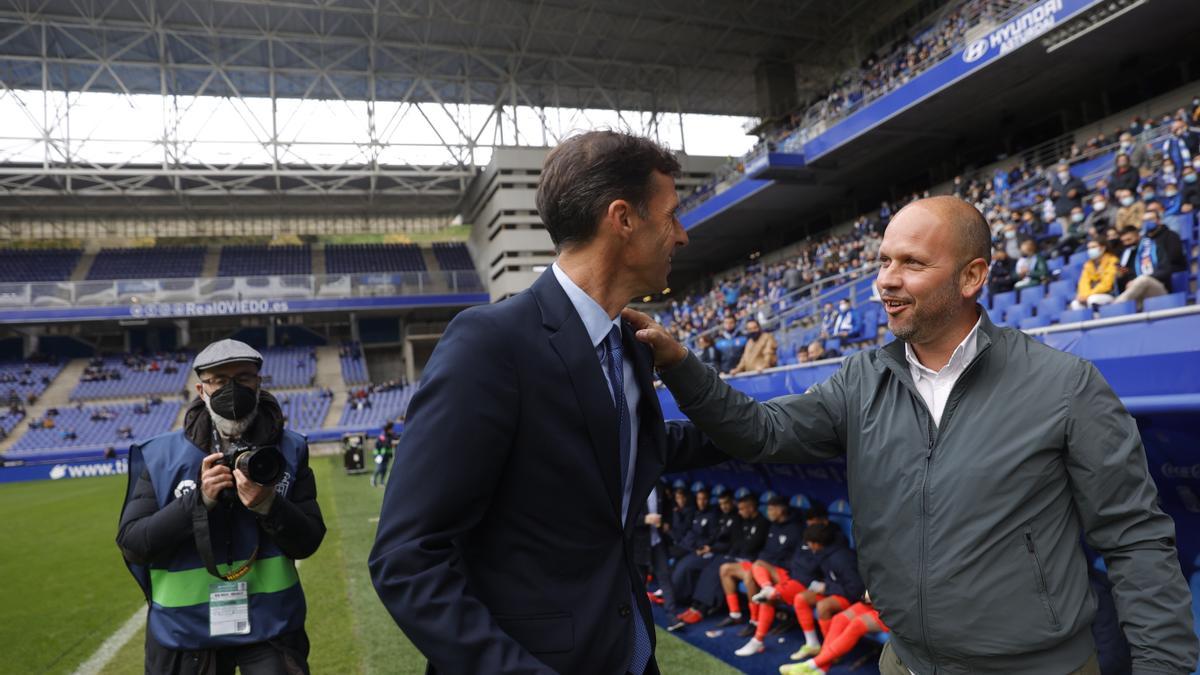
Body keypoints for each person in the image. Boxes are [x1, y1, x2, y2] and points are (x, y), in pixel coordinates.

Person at [627, 195, 1198, 674]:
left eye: (912, 264)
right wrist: (680, 362)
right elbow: (761, 432)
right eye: (882, 262)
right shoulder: (860, 379)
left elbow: (1136, 541)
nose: (886, 282)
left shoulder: (1065, 385)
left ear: (973, 276)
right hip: (906, 663)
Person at [368, 131, 726, 675]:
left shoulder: (631, 342)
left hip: (627, 651)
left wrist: (811, 416)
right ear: (622, 218)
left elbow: (638, 448)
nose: (682, 233)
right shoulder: (490, 342)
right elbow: (406, 557)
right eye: (672, 214)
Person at [116, 339, 325, 674]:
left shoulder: (291, 450)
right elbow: (133, 544)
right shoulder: (159, 458)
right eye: (219, 379)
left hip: (270, 624)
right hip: (184, 630)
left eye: (243, 378)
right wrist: (198, 502)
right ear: (201, 389)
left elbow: (309, 540)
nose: (232, 388)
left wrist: (268, 505)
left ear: (258, 383)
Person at [781, 594, 891, 675]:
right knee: (839, 619)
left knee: (857, 624)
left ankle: (811, 664)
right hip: (871, 604)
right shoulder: (877, 564)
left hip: (891, 610)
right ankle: (822, 669)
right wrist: (867, 595)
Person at [1114, 209, 1187, 309]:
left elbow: (1166, 270)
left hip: (1159, 289)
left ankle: (1115, 307)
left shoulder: (1155, 246)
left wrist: (1139, 280)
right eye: (1124, 241)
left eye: (1129, 239)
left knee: (1143, 279)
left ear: (1137, 236)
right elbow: (1128, 272)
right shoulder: (1128, 254)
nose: (1127, 243)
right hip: (1138, 293)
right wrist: (1120, 271)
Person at [1070, 239, 1119, 311]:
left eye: (1093, 247)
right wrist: (1083, 295)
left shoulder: (1113, 260)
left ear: (1102, 248)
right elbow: (1083, 283)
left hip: (1109, 294)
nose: (1090, 250)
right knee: (1075, 304)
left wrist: (1088, 295)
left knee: (1092, 299)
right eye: (1089, 248)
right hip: (1090, 295)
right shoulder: (1087, 265)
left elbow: (1107, 284)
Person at [371, 422, 396, 487]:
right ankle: (373, 479)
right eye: (391, 429)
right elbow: (386, 443)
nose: (392, 430)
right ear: (388, 430)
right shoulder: (382, 436)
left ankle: (382, 482)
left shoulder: (391, 435)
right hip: (378, 455)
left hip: (386, 455)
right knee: (379, 468)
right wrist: (392, 442)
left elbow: (395, 439)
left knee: (384, 469)